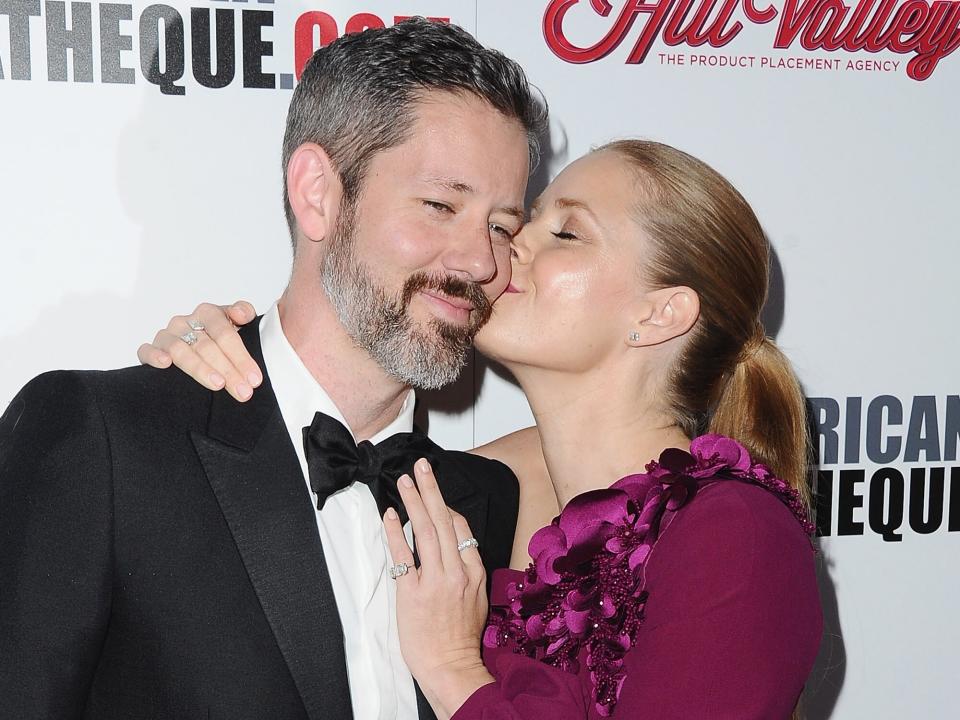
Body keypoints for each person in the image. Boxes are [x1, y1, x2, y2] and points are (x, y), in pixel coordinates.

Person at [147, 140, 823, 718]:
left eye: (565, 233)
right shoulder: (468, 490)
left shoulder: (735, 531)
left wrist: (452, 670)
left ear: (663, 313)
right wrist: (221, 365)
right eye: (518, 223)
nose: (506, 246)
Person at [0, 19, 548, 720]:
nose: (480, 261)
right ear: (318, 192)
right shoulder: (109, 444)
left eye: (502, 226)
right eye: (440, 205)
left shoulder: (486, 501)